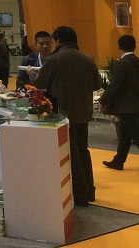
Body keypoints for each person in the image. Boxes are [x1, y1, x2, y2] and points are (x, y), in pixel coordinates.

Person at [34, 26, 101, 206]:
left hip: (63, 114)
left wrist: (32, 75)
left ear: (58, 40)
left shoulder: (54, 60)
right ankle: (89, 191)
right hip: (84, 112)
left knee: (72, 154)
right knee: (83, 150)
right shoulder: (88, 59)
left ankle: (80, 195)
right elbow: (97, 85)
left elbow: (39, 83)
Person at [99, 35, 139, 170]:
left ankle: (118, 161)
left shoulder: (121, 64)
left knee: (136, 135)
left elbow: (114, 85)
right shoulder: (137, 62)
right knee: (125, 135)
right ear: (135, 46)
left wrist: (102, 101)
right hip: (135, 104)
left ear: (119, 46)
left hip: (126, 106)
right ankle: (118, 161)